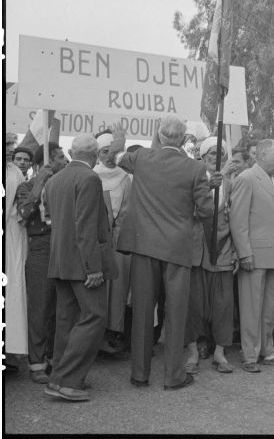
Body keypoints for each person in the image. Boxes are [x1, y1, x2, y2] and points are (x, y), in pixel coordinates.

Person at [108, 115, 214, 390]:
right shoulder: (195, 168)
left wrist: (120, 142)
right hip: (178, 247)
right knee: (176, 312)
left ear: (159, 136)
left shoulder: (141, 158)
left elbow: (116, 156)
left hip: (144, 245)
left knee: (143, 310)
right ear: (183, 140)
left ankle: (139, 374)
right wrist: (186, 216)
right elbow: (205, 211)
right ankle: (173, 376)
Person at [44, 135, 117, 402]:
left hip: (60, 261)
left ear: (73, 152)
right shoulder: (89, 179)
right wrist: (93, 268)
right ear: (95, 155)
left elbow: (56, 220)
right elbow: (85, 226)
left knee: (67, 320)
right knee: (94, 317)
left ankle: (57, 379)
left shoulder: (56, 179)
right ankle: (67, 380)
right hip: (82, 263)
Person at [230, 139, 274, 373]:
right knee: (251, 308)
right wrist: (244, 253)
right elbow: (238, 220)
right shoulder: (247, 178)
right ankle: (250, 355)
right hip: (255, 255)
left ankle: (268, 351)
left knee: (270, 308)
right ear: (262, 154)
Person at [184, 137, 238, 374]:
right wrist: (211, 186)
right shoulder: (193, 179)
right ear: (203, 158)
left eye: (221, 154)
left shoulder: (232, 182)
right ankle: (193, 350)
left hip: (224, 247)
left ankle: (220, 352)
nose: (216, 159)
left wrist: (237, 249)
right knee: (194, 302)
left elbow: (236, 217)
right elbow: (193, 210)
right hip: (197, 247)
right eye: (211, 155)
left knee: (223, 302)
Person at [16, 142, 67, 383]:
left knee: (61, 305)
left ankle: (55, 359)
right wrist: (40, 183)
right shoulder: (25, 186)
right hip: (40, 246)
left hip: (63, 244)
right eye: (58, 157)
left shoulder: (64, 185)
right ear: (43, 162)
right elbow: (24, 215)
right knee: (40, 305)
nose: (64, 160)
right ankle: (36, 362)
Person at [93, 131, 133, 355]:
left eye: (112, 151)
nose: (108, 156)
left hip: (119, 241)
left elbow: (129, 209)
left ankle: (112, 333)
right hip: (99, 241)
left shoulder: (125, 177)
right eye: (104, 151)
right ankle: (95, 336)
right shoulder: (92, 175)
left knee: (118, 289)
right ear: (97, 154)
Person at [4, 135, 29, 373]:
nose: (10, 149)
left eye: (11, 145)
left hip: (10, 241)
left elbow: (22, 208)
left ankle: (9, 353)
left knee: (10, 295)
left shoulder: (15, 173)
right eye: (7, 145)